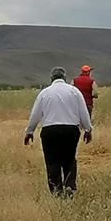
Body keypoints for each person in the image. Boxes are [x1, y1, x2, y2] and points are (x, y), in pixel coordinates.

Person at [24, 67, 93, 196]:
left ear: (51, 78)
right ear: (65, 77)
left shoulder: (44, 93)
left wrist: (29, 131)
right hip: (71, 129)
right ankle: (70, 185)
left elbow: (35, 114)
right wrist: (88, 129)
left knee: (52, 160)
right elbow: (83, 112)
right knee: (69, 159)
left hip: (50, 130)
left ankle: (56, 190)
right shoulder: (74, 91)